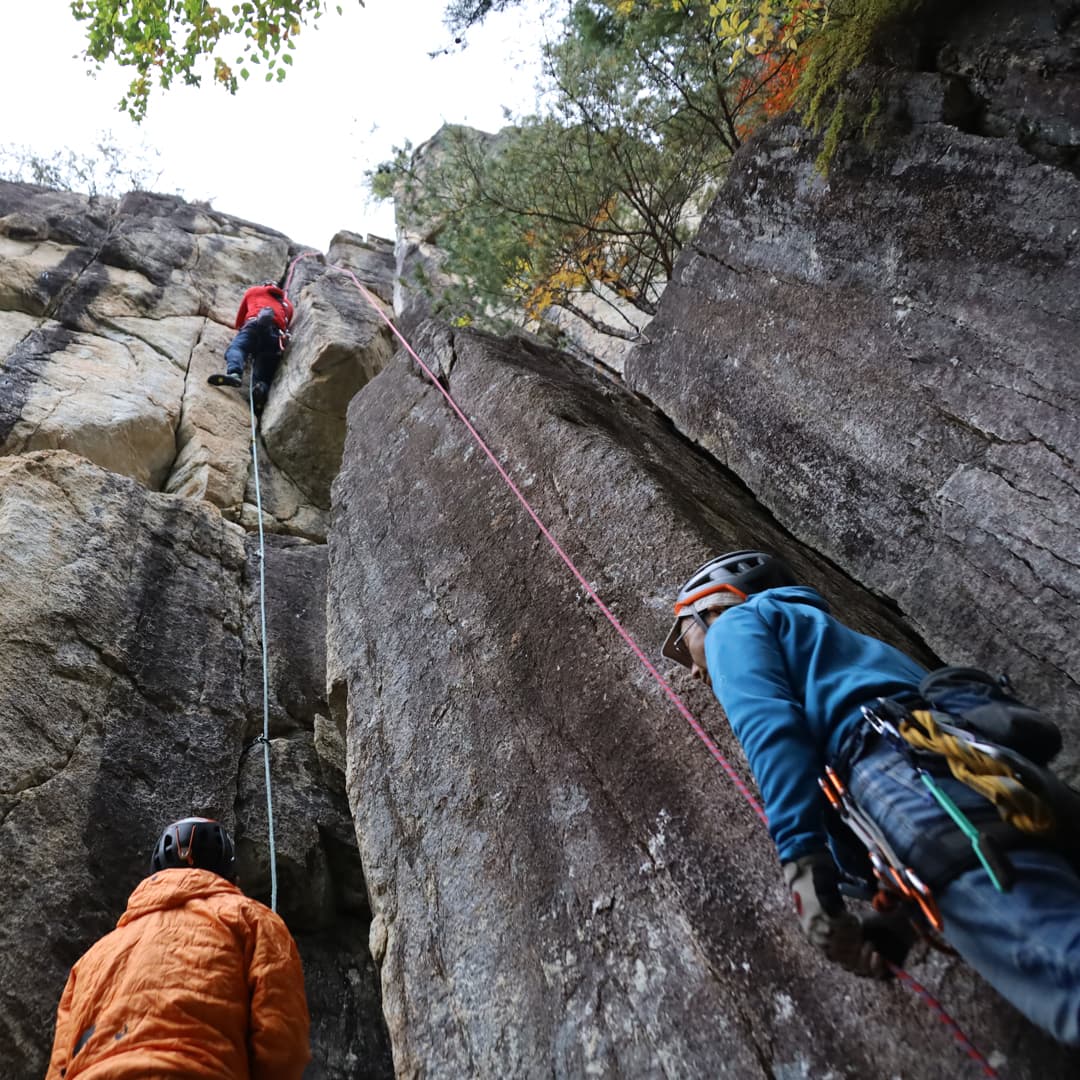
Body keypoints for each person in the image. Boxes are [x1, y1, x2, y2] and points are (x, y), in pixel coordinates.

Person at [662, 550, 1080, 1044]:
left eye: (684, 636)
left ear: (713, 605)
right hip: (982, 774)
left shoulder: (736, 624)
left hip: (900, 779)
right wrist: (894, 920)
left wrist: (802, 863)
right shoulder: (847, 647)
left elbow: (770, 729)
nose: (691, 672)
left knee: (1060, 964)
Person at [46, 817, 310, 1079]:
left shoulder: (93, 956)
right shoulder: (252, 919)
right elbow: (281, 1037)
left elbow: (60, 1066)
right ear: (232, 878)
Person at [208, 280, 294, 412]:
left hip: (254, 325)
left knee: (237, 348)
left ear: (265, 285)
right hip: (276, 337)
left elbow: (239, 320)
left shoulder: (254, 291)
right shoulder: (288, 305)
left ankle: (235, 373)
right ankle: (260, 388)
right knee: (264, 370)